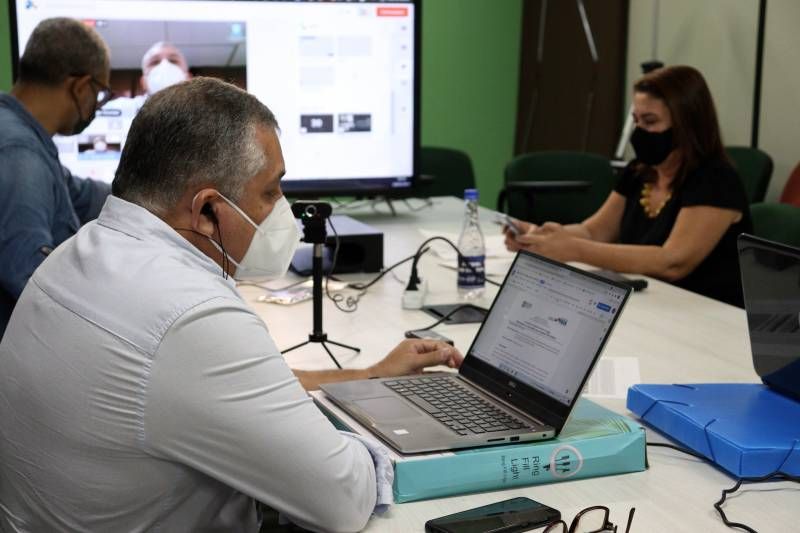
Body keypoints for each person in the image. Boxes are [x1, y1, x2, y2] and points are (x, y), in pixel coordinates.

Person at [0, 77, 462, 532]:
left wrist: (363, 378)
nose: (284, 208)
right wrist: (387, 427)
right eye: (270, 191)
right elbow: (343, 500)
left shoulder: (79, 254)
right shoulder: (190, 314)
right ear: (205, 211)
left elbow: (217, 387)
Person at [505, 65, 752, 307]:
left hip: (707, 318)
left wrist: (574, 250)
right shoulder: (638, 171)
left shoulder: (716, 180)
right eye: (636, 120)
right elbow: (594, 231)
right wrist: (538, 237)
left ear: (686, 125)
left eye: (650, 121)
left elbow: (672, 262)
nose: (640, 131)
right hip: (649, 306)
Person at [0, 18, 112, 338]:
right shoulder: (20, 153)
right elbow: (31, 283)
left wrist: (151, 192)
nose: (96, 107)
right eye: (100, 94)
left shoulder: (20, 134)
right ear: (80, 87)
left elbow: (78, 192)